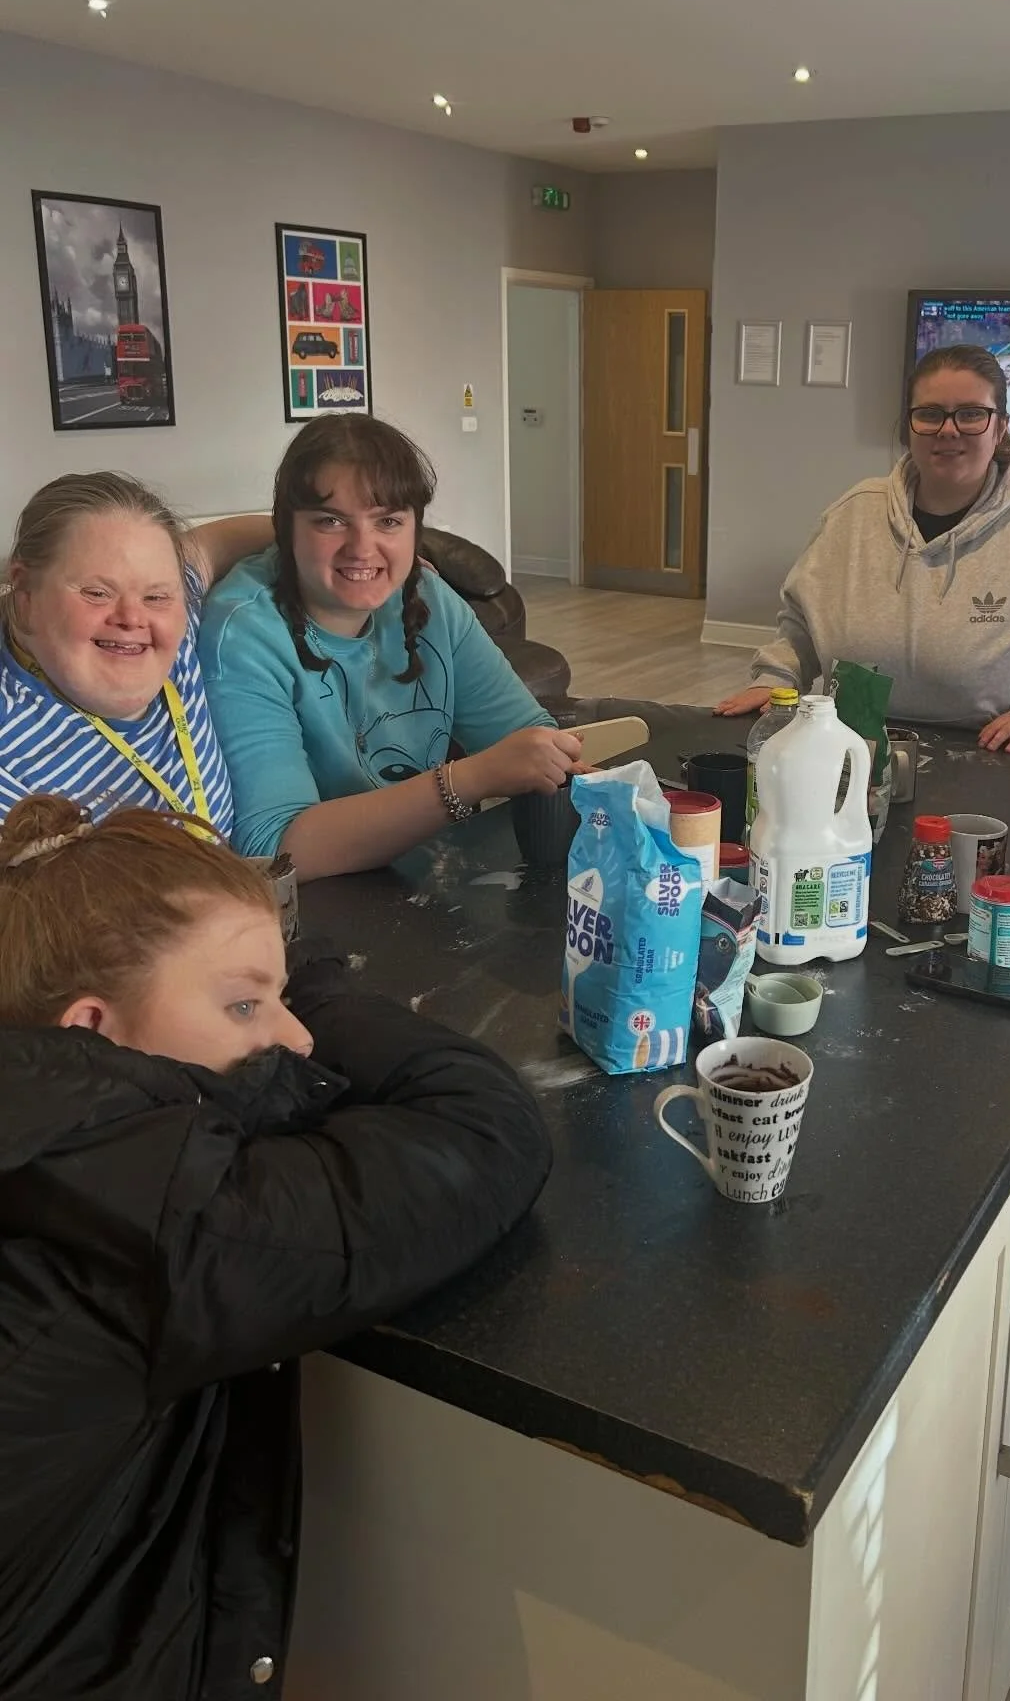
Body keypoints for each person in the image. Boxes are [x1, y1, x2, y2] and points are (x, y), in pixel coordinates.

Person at [0, 791, 552, 1699]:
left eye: (282, 1002)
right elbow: (484, 1131)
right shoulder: (149, 1219)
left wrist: (258, 989)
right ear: (92, 1026)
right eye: (244, 1005)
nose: (290, 1036)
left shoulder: (40, 1129)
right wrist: (322, 993)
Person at [200, 415, 581, 879]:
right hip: (324, 902)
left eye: (388, 521)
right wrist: (466, 781)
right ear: (286, 529)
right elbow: (274, 849)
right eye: (331, 521)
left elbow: (523, 735)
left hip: (434, 875)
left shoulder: (430, 596)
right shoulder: (243, 634)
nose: (363, 548)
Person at [716, 344, 1010, 750]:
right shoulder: (853, 513)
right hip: (849, 743)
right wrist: (776, 677)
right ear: (909, 426)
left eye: (971, 414)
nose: (948, 430)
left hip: (986, 750)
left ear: (1000, 427)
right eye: (930, 414)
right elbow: (800, 622)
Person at [0, 473, 273, 833]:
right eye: (97, 593)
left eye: (155, 596)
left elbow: (216, 544)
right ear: (25, 592)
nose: (132, 618)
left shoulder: (176, 622)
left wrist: (316, 538)